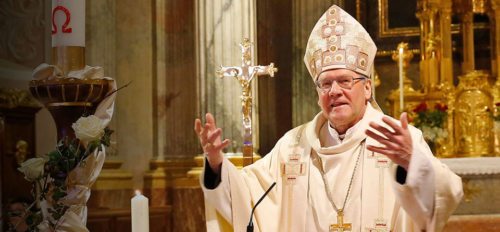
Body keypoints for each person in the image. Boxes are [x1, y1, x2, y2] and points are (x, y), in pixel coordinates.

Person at [194, 4, 463, 232]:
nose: (334, 91)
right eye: (326, 84)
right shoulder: (293, 147)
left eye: (345, 81)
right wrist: (217, 165)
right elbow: (247, 198)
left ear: (367, 87)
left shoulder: (397, 139)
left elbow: (447, 197)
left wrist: (411, 162)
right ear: (317, 94)